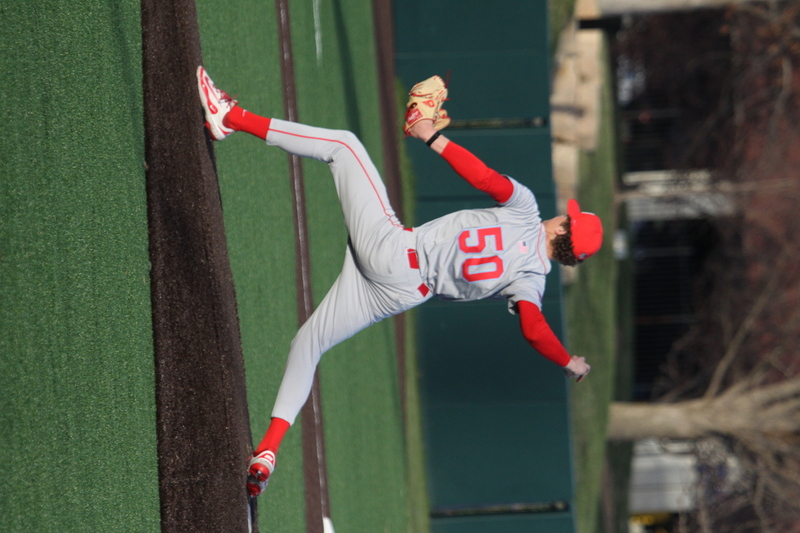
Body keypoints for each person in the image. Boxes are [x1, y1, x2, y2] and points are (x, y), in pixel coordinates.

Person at [195, 66, 603, 498]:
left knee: (344, 147)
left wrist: (428, 133)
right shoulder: (531, 281)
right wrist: (567, 363)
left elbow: (482, 176)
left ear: (563, 232)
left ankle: (230, 117)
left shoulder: (526, 210)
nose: (564, 214)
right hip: (401, 293)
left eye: (568, 219)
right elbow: (532, 328)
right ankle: (267, 451)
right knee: (309, 344)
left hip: (393, 250)